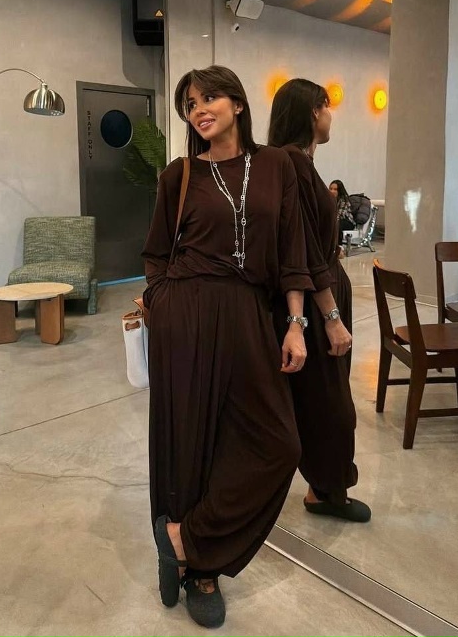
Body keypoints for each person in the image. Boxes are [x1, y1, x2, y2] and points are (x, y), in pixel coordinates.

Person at [142, 65, 313, 628]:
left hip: (248, 314)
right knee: (193, 443)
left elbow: (291, 250)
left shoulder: (276, 165)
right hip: (186, 314)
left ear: (238, 103)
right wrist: (164, 304)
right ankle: (202, 572)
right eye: (190, 104)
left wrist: (296, 323)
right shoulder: (181, 174)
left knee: (278, 443)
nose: (199, 109)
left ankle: (183, 537)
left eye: (209, 97)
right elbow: (155, 254)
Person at [268, 78, 371, 523]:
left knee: (327, 398)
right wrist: (330, 315)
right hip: (315, 298)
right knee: (331, 406)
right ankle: (327, 491)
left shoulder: (299, 163)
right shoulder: (292, 162)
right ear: (314, 112)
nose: (331, 117)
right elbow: (304, 248)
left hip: (322, 288)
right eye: (327, 108)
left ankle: (323, 487)